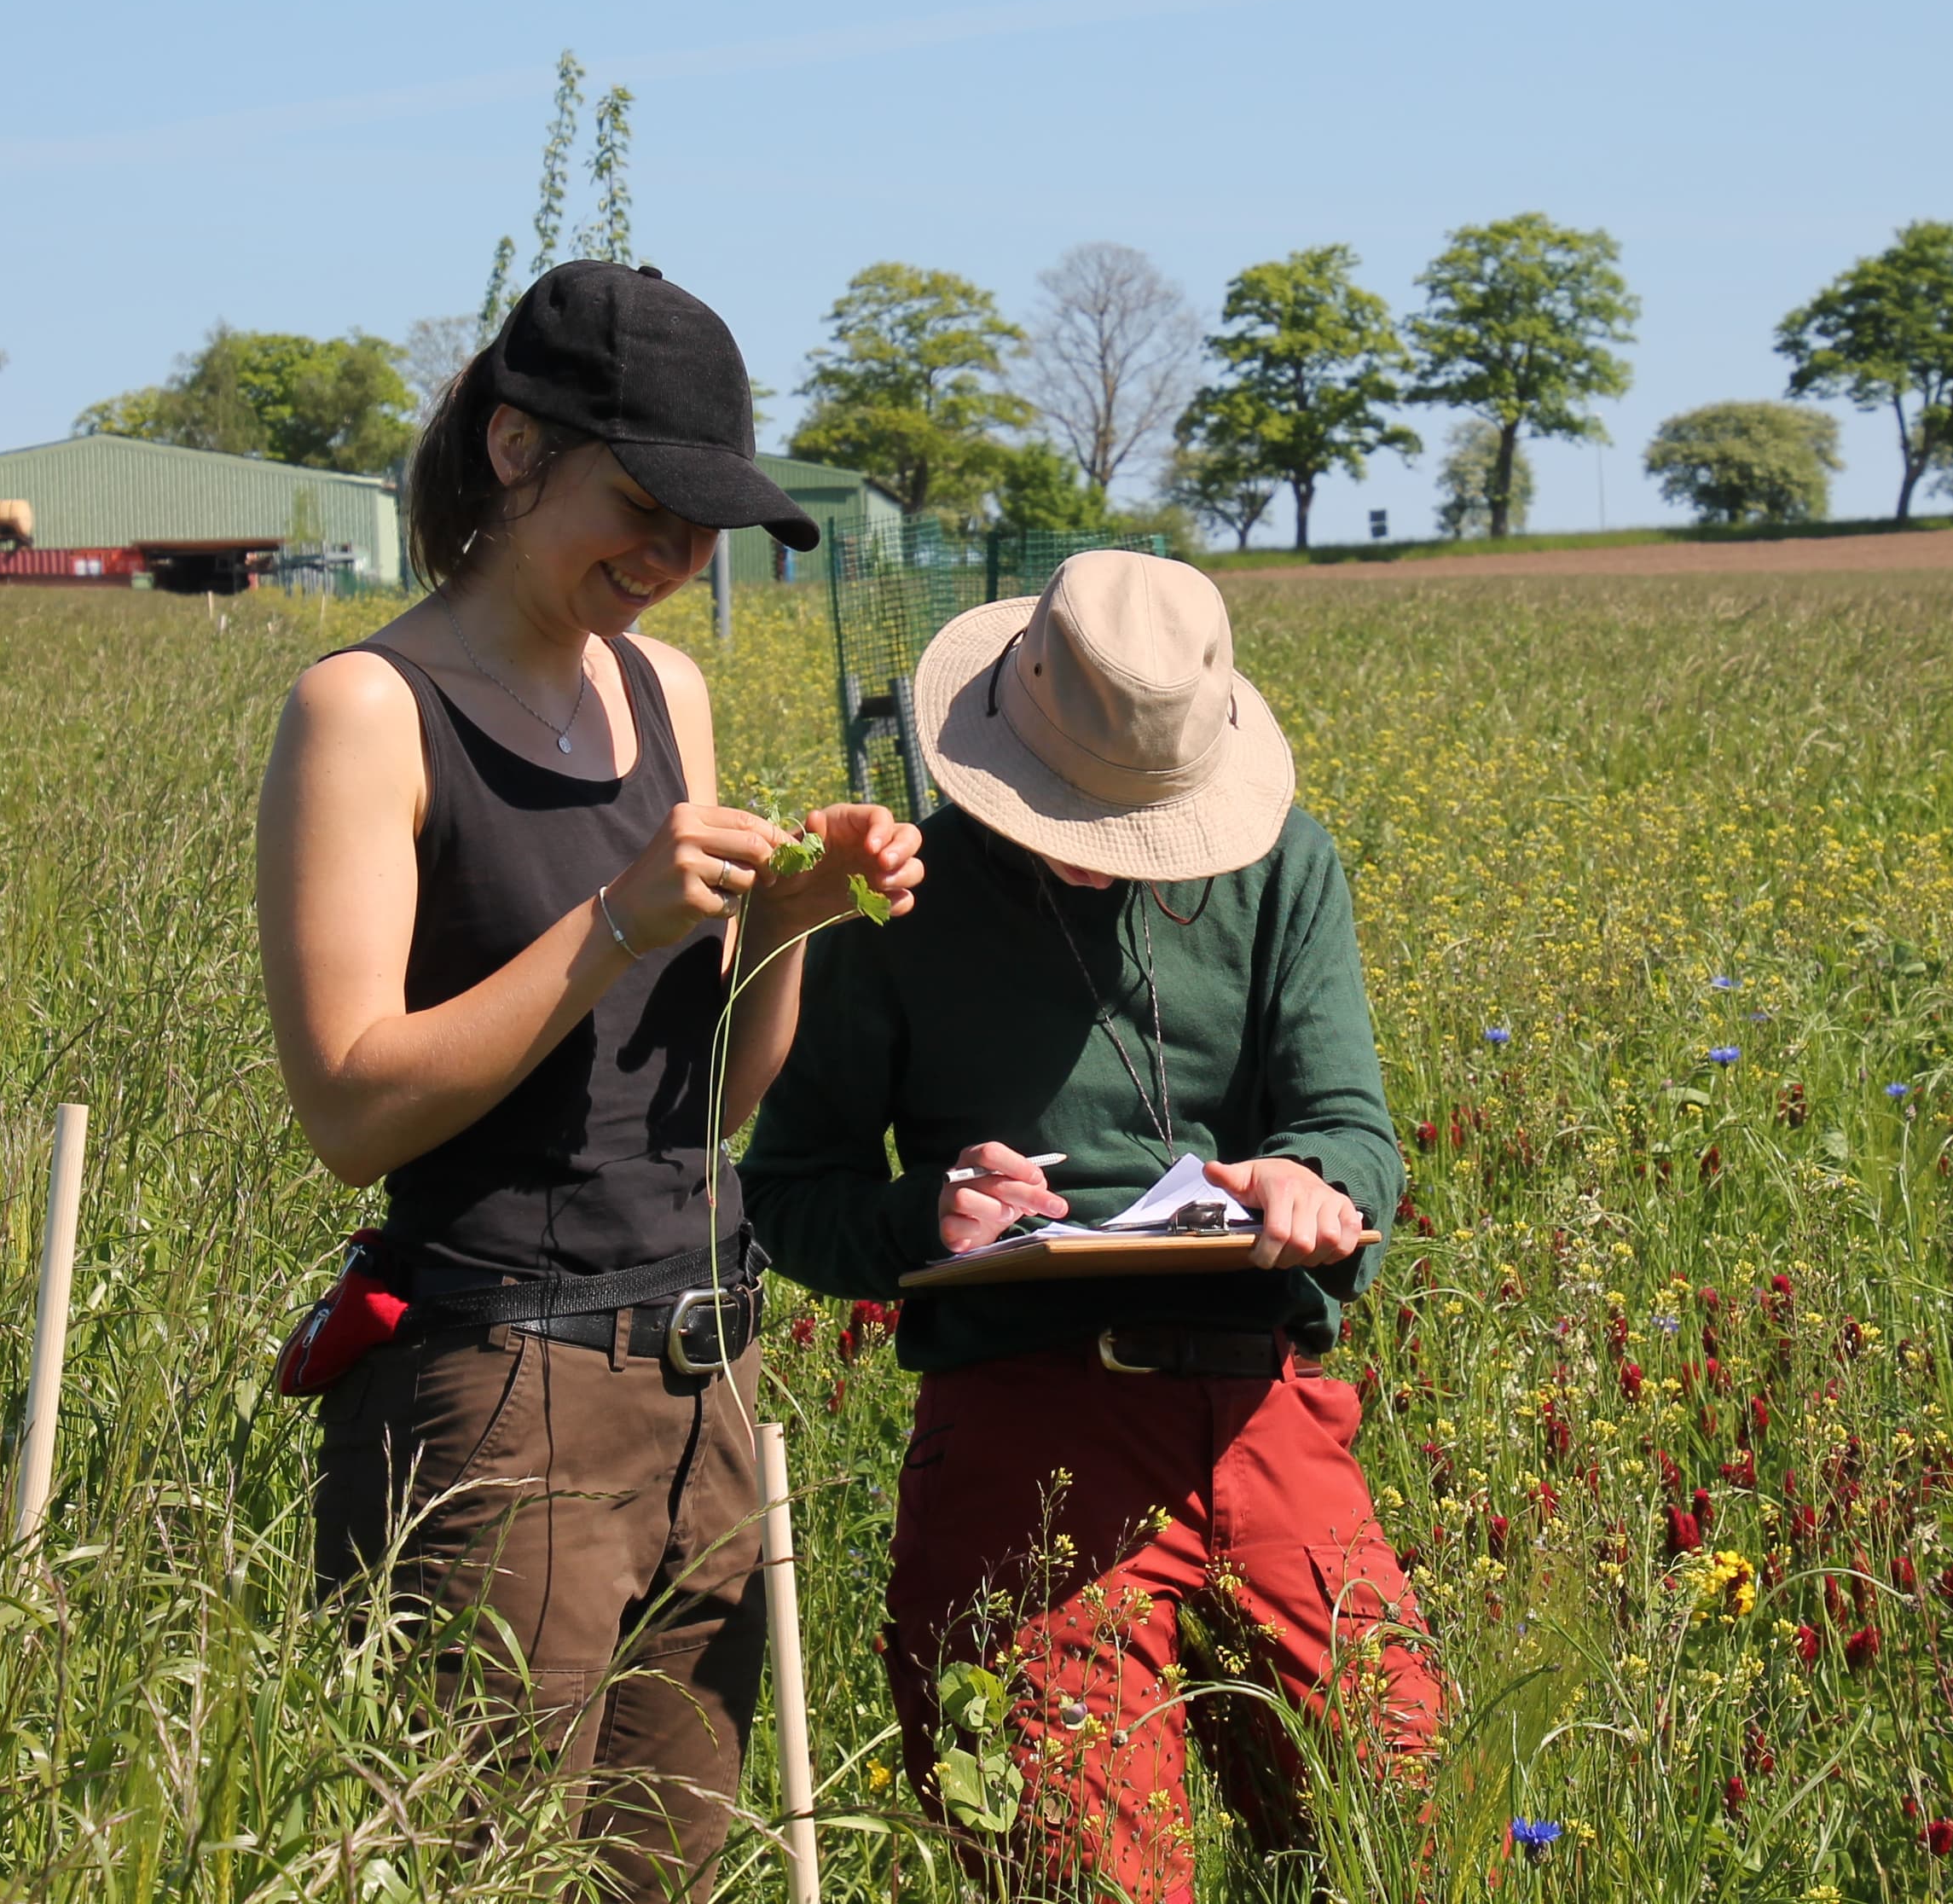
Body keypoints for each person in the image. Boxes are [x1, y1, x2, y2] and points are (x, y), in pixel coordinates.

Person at [254, 260, 922, 1898]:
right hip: (493, 1394)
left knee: (667, 1880)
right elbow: (350, 1110)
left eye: (708, 531)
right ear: (512, 449)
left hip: (703, 1381)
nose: (679, 562)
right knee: (473, 1868)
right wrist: (611, 923)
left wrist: (791, 919)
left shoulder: (664, 693)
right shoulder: (365, 712)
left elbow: (713, 1104)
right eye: (645, 507)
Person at [741, 549, 1440, 1901]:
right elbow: (787, 1193)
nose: (1096, 851)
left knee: (1399, 1823)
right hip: (1023, 1425)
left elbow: (1354, 1128)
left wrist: (1312, 1182)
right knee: (1077, 1866)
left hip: (1263, 1413)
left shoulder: (1286, 872)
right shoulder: (896, 908)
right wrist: (926, 1216)